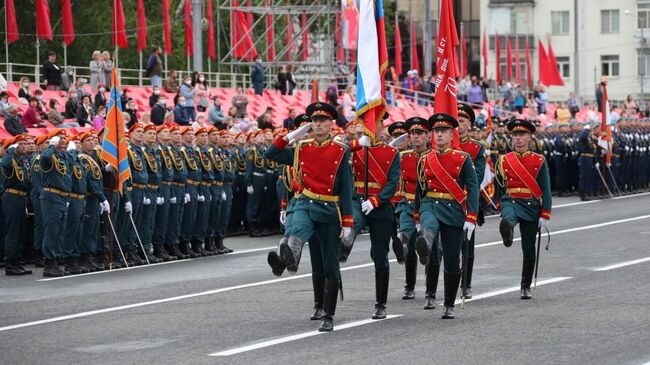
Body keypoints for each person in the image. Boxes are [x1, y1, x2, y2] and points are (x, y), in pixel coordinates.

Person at [265, 102, 354, 332]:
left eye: (322, 120)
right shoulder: (301, 147)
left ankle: (328, 314)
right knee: (298, 229)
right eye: (314, 121)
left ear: (331, 124)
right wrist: (294, 134)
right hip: (306, 201)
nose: (317, 124)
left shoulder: (340, 150)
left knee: (329, 264)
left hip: (329, 209)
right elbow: (271, 153)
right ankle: (290, 256)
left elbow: (345, 188)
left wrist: (347, 221)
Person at [413, 113, 479, 319]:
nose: (439, 135)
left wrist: (472, 217)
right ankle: (426, 239)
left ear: (452, 134)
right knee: (429, 229)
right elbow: (420, 189)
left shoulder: (463, 158)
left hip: (453, 209)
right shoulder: (425, 159)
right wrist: (417, 215)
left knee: (451, 259)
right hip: (430, 203)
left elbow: (473, 187)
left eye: (444, 131)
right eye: (436, 132)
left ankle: (449, 303)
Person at [342, 121, 401, 320]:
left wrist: (376, 200)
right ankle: (344, 246)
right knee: (352, 226)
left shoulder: (391, 153)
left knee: (380, 256)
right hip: (358, 200)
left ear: (381, 127)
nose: (368, 128)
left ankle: (380, 303)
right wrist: (357, 144)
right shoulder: (356, 148)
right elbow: (335, 153)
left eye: (373, 124)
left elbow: (393, 183)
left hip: (380, 205)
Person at [495, 119, 552, 300]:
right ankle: (508, 230)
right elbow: (500, 186)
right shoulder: (504, 160)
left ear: (529, 137)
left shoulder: (539, 160)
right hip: (511, 200)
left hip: (530, 205)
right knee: (508, 216)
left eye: (522, 135)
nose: (518, 139)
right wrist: (499, 202)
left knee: (529, 248)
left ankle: (525, 285)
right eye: (515, 136)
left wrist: (545, 213)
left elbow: (546, 188)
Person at [456, 104, 486, 300]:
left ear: (469, 124)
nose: (458, 124)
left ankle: (466, 283)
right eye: (455, 120)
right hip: (442, 201)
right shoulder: (440, 146)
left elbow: (478, 177)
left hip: (466, 201)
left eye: (462, 121)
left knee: (466, 246)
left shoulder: (476, 148)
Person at [2, 134, 33, 275]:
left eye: (25, 144)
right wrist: (10, 151)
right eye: (21, 144)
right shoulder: (11, 159)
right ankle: (10, 264)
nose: (24, 146)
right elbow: (4, 165)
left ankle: (17, 262)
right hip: (12, 196)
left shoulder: (23, 160)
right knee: (13, 231)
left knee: (20, 231)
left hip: (21, 197)